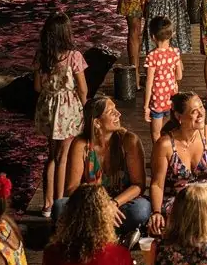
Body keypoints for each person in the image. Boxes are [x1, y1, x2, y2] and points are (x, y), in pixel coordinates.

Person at [148, 91, 207, 237]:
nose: (201, 114)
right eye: (194, 111)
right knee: (189, 216)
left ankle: (193, 234)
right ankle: (202, 234)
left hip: (205, 198)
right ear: (179, 117)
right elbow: (157, 184)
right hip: (178, 201)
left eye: (202, 107)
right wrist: (156, 212)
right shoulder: (165, 144)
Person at [62, 95, 151, 246]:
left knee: (141, 209)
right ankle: (116, 237)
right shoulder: (81, 145)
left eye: (116, 109)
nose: (119, 114)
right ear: (97, 122)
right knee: (59, 207)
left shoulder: (129, 140)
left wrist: (113, 204)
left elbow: (138, 185)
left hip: (121, 204)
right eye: (111, 112)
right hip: (92, 205)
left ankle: (96, 235)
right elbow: (72, 188)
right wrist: (101, 206)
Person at [33, 9, 88, 217]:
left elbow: (37, 87)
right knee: (63, 156)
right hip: (68, 108)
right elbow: (82, 88)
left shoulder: (42, 57)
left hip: (48, 107)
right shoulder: (74, 56)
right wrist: (84, 106)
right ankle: (59, 203)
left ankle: (46, 204)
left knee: (51, 156)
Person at [143, 15, 184, 142]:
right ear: (171, 35)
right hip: (171, 97)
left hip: (157, 100)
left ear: (153, 37)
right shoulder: (175, 53)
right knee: (170, 129)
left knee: (156, 133)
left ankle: (157, 155)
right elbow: (179, 76)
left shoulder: (152, 56)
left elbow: (149, 83)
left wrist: (146, 107)